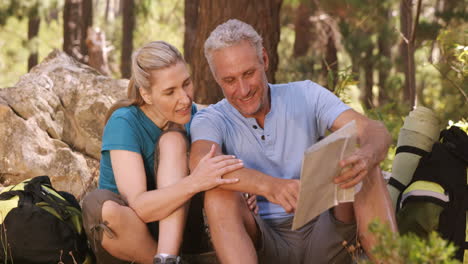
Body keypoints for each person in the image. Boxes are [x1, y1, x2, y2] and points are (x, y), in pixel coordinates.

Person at [189, 19, 397, 264]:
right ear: (216, 78)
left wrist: (367, 155)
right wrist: (270, 186)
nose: (243, 89)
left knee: (365, 164)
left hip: (326, 233)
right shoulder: (211, 118)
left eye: (249, 73)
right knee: (217, 193)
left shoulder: (306, 94)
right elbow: (201, 162)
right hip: (265, 243)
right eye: (230, 81)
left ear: (264, 60)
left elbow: (374, 130)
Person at [81, 41, 244, 264]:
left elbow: (218, 169)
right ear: (146, 95)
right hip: (130, 238)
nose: (185, 98)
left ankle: (167, 258)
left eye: (186, 83)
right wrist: (195, 182)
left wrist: (243, 193)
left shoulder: (194, 117)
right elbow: (140, 208)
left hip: (180, 237)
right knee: (102, 208)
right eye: (170, 92)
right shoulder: (124, 122)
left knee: (174, 140)